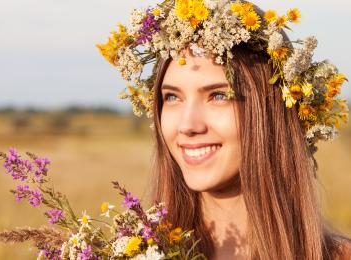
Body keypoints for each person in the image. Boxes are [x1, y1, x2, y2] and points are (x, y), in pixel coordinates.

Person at [96, 0, 351, 258]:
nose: (187, 125)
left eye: (218, 96)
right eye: (172, 97)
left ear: (271, 111)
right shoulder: (134, 254)